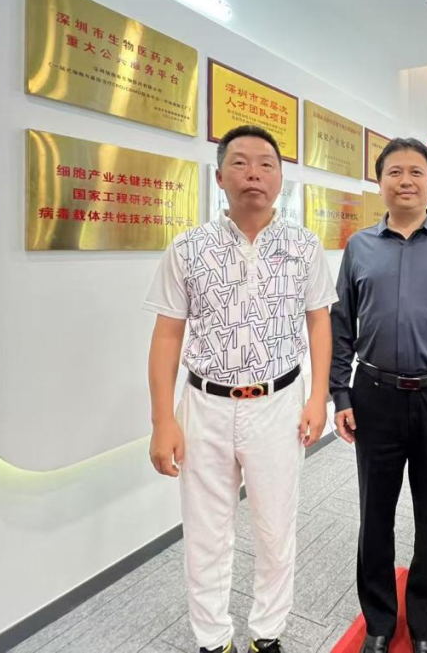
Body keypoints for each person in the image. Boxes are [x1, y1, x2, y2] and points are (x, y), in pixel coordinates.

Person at [144, 125, 337, 653]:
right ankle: (212, 638)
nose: (254, 173)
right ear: (220, 176)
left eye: (266, 164)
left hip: (279, 404)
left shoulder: (302, 246)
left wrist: (318, 396)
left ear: (280, 178)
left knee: (275, 528)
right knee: (206, 530)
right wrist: (163, 419)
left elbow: (320, 322)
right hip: (204, 405)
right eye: (241, 162)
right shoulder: (189, 248)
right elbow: (166, 336)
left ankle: (267, 632)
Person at [330, 137, 427, 653]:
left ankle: (424, 624)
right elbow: (341, 324)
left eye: (416, 172)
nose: (405, 181)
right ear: (380, 182)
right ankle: (379, 621)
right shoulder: (359, 247)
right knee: (374, 515)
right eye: (394, 171)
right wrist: (340, 394)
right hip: (374, 395)